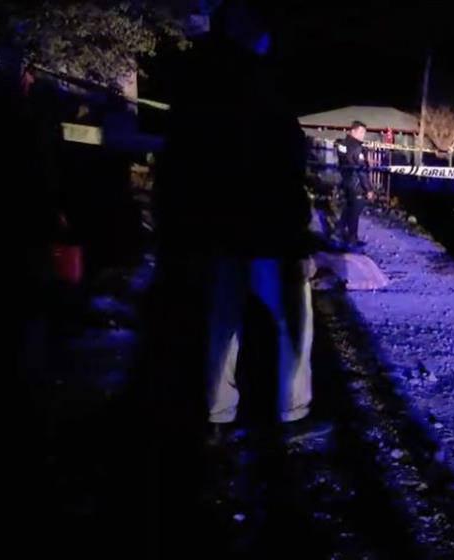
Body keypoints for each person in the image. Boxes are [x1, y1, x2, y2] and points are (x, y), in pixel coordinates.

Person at [152, 0, 317, 434]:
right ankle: (290, 409)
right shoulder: (265, 87)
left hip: (216, 227)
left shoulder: (197, 83)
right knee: (288, 319)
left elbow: (177, 160)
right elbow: (286, 164)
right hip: (266, 228)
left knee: (221, 321)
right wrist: (300, 231)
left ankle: (218, 411)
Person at [335, 120, 373, 249]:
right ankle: (352, 239)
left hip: (346, 180)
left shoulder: (343, 143)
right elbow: (361, 170)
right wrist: (368, 189)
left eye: (364, 132)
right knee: (355, 211)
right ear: (353, 131)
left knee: (349, 207)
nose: (363, 135)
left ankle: (338, 231)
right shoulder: (357, 147)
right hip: (356, 183)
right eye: (361, 132)